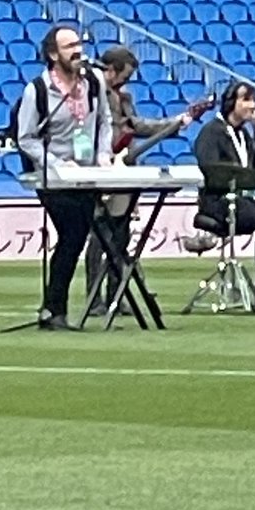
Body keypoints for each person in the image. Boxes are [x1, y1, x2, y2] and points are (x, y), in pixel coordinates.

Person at [17, 23, 112, 331]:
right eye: (70, 46)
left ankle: (52, 309)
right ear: (53, 54)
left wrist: (103, 155)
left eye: (79, 44)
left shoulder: (94, 81)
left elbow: (104, 121)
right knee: (72, 234)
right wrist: (56, 164)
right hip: (54, 178)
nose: (78, 50)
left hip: (87, 174)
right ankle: (54, 308)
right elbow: (26, 138)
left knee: (75, 238)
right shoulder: (39, 90)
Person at [85, 46, 192, 316]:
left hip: (123, 168)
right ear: (111, 70)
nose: (126, 80)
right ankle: (94, 297)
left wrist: (173, 124)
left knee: (120, 234)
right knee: (99, 236)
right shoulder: (91, 92)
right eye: (124, 74)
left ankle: (116, 294)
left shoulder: (124, 97)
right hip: (99, 168)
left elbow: (136, 126)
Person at [193, 81, 255, 262]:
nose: (253, 105)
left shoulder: (244, 135)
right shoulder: (212, 132)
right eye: (246, 99)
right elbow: (211, 171)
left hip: (240, 199)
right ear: (231, 103)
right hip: (217, 202)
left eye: (254, 100)